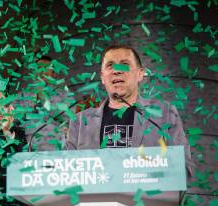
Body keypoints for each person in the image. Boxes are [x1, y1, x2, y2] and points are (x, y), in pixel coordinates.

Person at [66, 44, 194, 176]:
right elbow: (66, 172)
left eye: (124, 64)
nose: (116, 70)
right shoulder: (80, 121)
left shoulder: (164, 114)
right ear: (103, 77)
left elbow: (185, 167)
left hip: (145, 195)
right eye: (110, 65)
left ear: (140, 74)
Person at [16, 56, 75, 151]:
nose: (42, 72)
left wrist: (46, 101)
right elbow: (13, 122)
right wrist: (32, 102)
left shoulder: (65, 95)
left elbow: (71, 121)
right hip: (28, 146)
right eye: (39, 68)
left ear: (53, 74)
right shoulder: (21, 96)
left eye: (47, 69)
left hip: (55, 144)